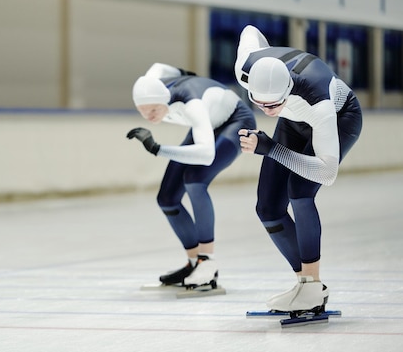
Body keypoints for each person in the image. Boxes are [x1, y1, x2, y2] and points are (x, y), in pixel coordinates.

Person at [234, 25, 362, 312]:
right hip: (292, 118)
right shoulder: (245, 68)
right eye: (260, 104)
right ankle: (305, 284)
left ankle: (313, 287)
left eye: (273, 104)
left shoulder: (319, 102)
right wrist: (266, 55)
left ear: (287, 90)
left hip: (342, 118)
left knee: (300, 191)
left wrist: (272, 149)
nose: (267, 110)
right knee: (267, 207)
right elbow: (250, 30)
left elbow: (326, 173)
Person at [127, 63, 256, 287]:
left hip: (236, 121)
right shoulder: (152, 82)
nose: (149, 117)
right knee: (167, 198)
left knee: (195, 179)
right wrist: (180, 73)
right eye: (143, 112)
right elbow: (158, 67)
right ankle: (193, 262)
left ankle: (207, 261)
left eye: (154, 111)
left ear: (164, 100)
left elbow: (206, 155)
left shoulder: (192, 105)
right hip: (209, 122)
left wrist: (158, 149)